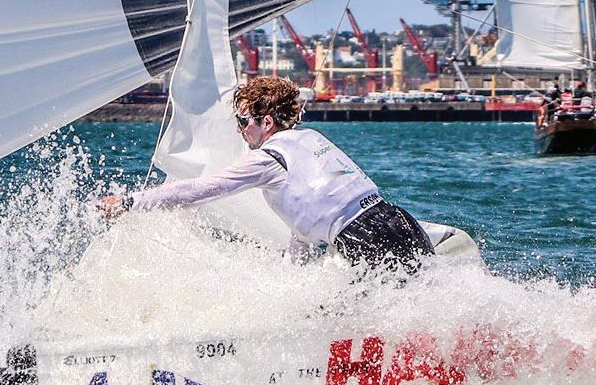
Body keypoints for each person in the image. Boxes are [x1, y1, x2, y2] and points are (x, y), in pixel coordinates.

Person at [98, 75, 433, 272]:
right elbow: (305, 229)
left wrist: (131, 201)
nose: (240, 129)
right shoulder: (311, 139)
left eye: (244, 121)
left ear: (267, 123)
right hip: (401, 222)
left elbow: (202, 189)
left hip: (366, 238)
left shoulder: (268, 159)